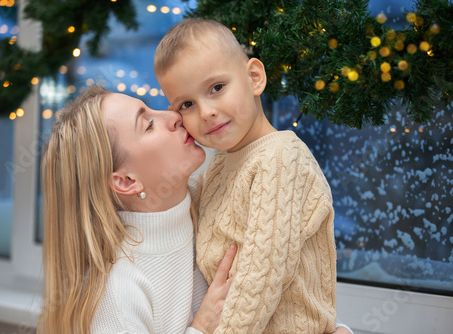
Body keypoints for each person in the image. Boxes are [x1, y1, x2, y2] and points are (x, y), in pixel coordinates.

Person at [155, 18, 348, 333]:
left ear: (254, 77)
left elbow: (259, 281)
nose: (206, 112)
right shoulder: (219, 167)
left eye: (217, 88)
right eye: (187, 104)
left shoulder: (281, 157)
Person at [37, 85, 237, 334]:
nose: (174, 116)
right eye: (148, 125)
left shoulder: (213, 205)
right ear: (127, 182)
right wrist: (201, 328)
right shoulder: (118, 294)